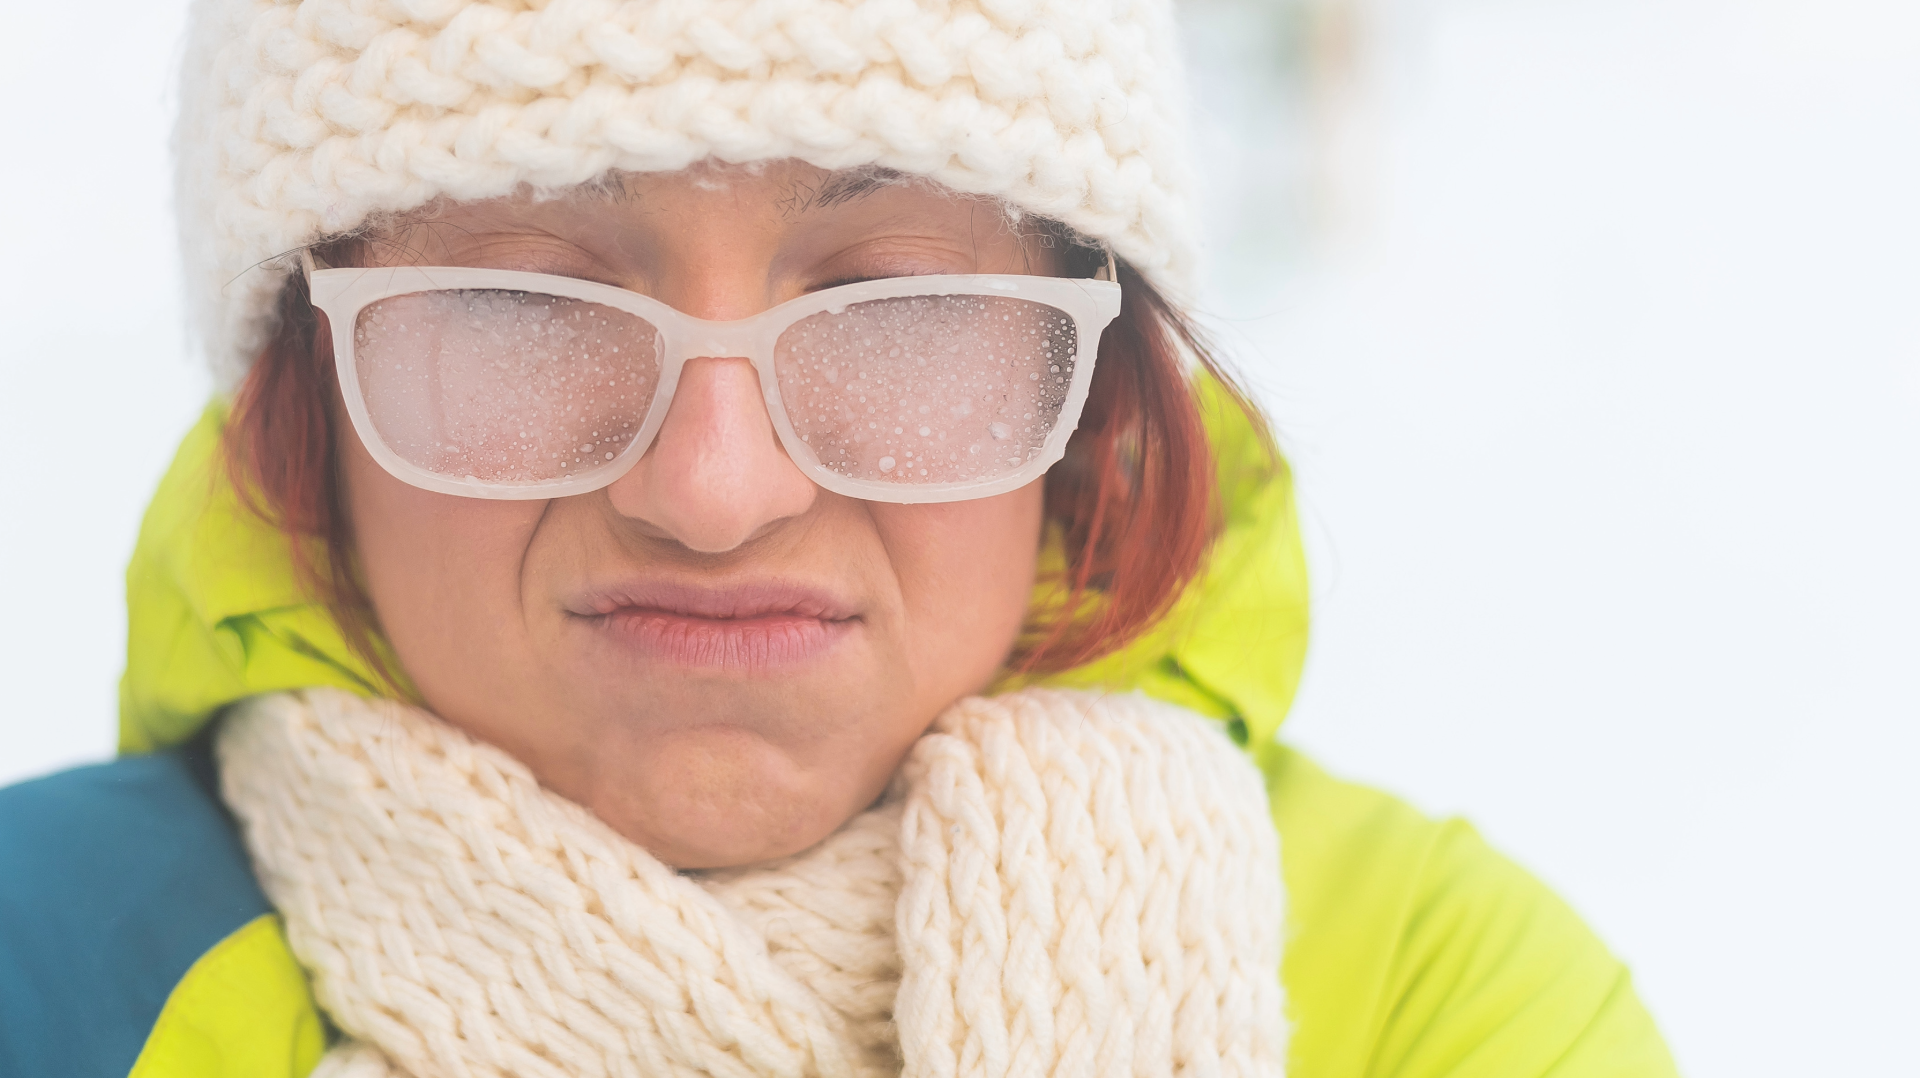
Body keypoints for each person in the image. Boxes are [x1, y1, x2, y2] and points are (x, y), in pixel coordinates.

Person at [0, 0, 1680, 1075]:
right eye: (523, 303)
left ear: (1093, 388)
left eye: (895, 308)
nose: (716, 486)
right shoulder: (49, 977)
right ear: (308, 384)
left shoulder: (1445, 1007)